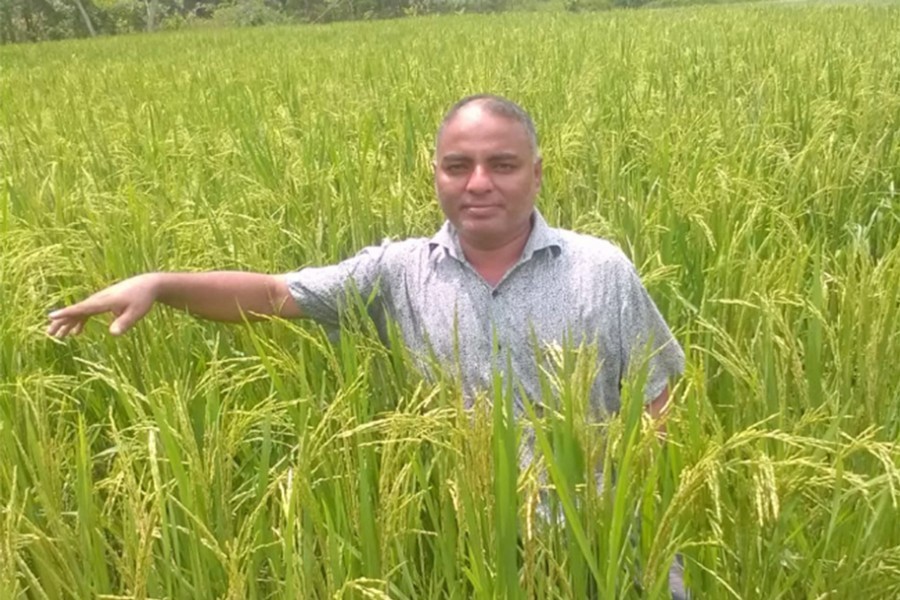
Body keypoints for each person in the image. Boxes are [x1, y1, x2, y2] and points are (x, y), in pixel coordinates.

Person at [47, 94, 687, 596]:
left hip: (607, 547)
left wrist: (622, 504)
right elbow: (275, 295)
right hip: (472, 551)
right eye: (458, 166)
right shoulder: (400, 273)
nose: (479, 183)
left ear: (538, 173)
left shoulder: (600, 269)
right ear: (436, 174)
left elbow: (659, 401)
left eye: (503, 165)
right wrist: (160, 285)